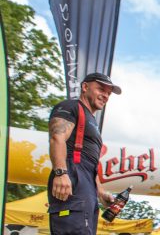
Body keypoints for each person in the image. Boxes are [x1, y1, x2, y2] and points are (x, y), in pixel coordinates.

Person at [47, 72, 121, 234]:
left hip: (86, 187)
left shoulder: (92, 122)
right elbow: (56, 137)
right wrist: (60, 172)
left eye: (108, 93)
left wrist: (100, 192)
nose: (105, 96)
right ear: (85, 87)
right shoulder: (70, 107)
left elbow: (89, 164)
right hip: (73, 180)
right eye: (101, 89)